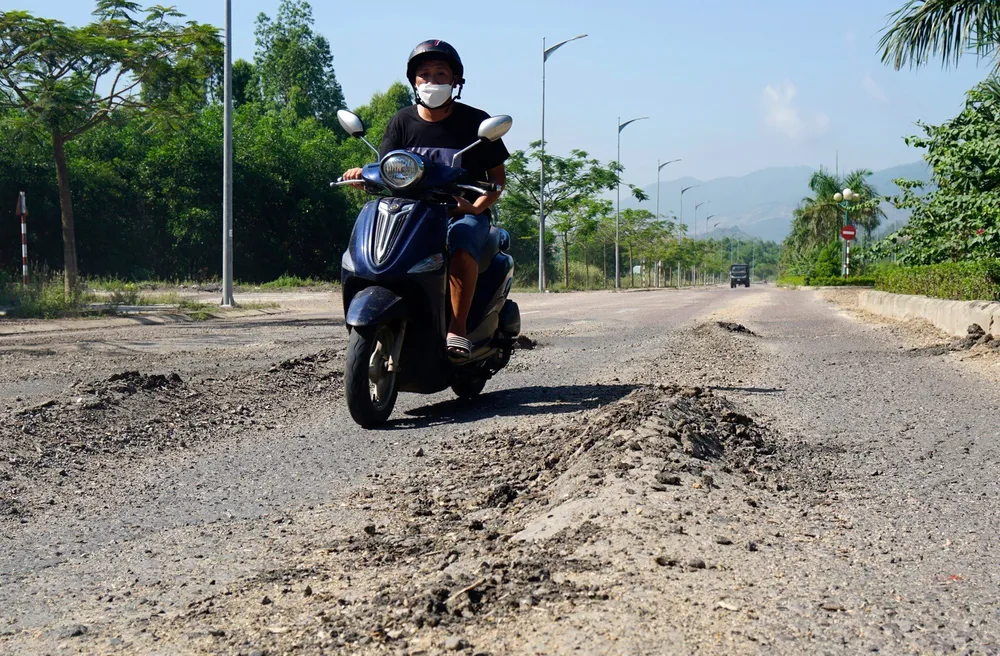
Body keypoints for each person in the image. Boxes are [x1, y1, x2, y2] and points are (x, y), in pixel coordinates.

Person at [342, 40, 509, 358]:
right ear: (414, 81)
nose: (432, 81)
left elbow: (497, 181)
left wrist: (474, 207)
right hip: (411, 213)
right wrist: (362, 176)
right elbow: (387, 168)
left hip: (460, 213)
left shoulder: (475, 123)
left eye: (441, 73)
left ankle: (457, 329)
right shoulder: (402, 121)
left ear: (455, 81)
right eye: (424, 74)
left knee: (460, 237)